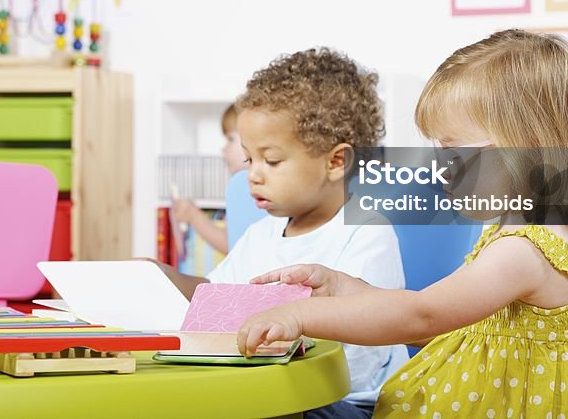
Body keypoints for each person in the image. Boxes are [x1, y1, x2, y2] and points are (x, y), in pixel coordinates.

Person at [237, 30, 568, 419]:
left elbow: (420, 316)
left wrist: (299, 316)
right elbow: (442, 327)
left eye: (454, 154)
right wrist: (342, 287)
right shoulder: (521, 234)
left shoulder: (523, 250)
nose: (441, 171)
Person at [157, 48, 408, 417]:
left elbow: (357, 365)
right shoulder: (262, 234)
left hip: (343, 403)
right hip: (264, 389)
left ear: (336, 161)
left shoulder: (366, 233)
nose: (254, 174)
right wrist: (163, 278)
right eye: (249, 159)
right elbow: (215, 299)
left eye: (271, 161)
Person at [172, 104, 249, 254]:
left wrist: (193, 215)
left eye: (230, 139)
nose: (223, 149)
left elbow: (231, 245)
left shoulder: (243, 184)